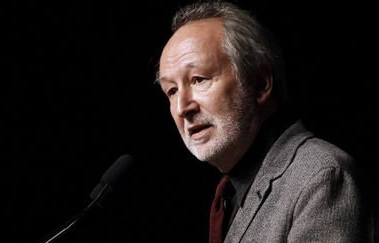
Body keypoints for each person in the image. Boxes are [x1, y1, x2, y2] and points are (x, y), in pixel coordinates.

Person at [156, 1, 375, 242]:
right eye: (172, 91)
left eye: (199, 79)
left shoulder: (322, 176)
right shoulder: (229, 194)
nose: (182, 108)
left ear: (260, 84)